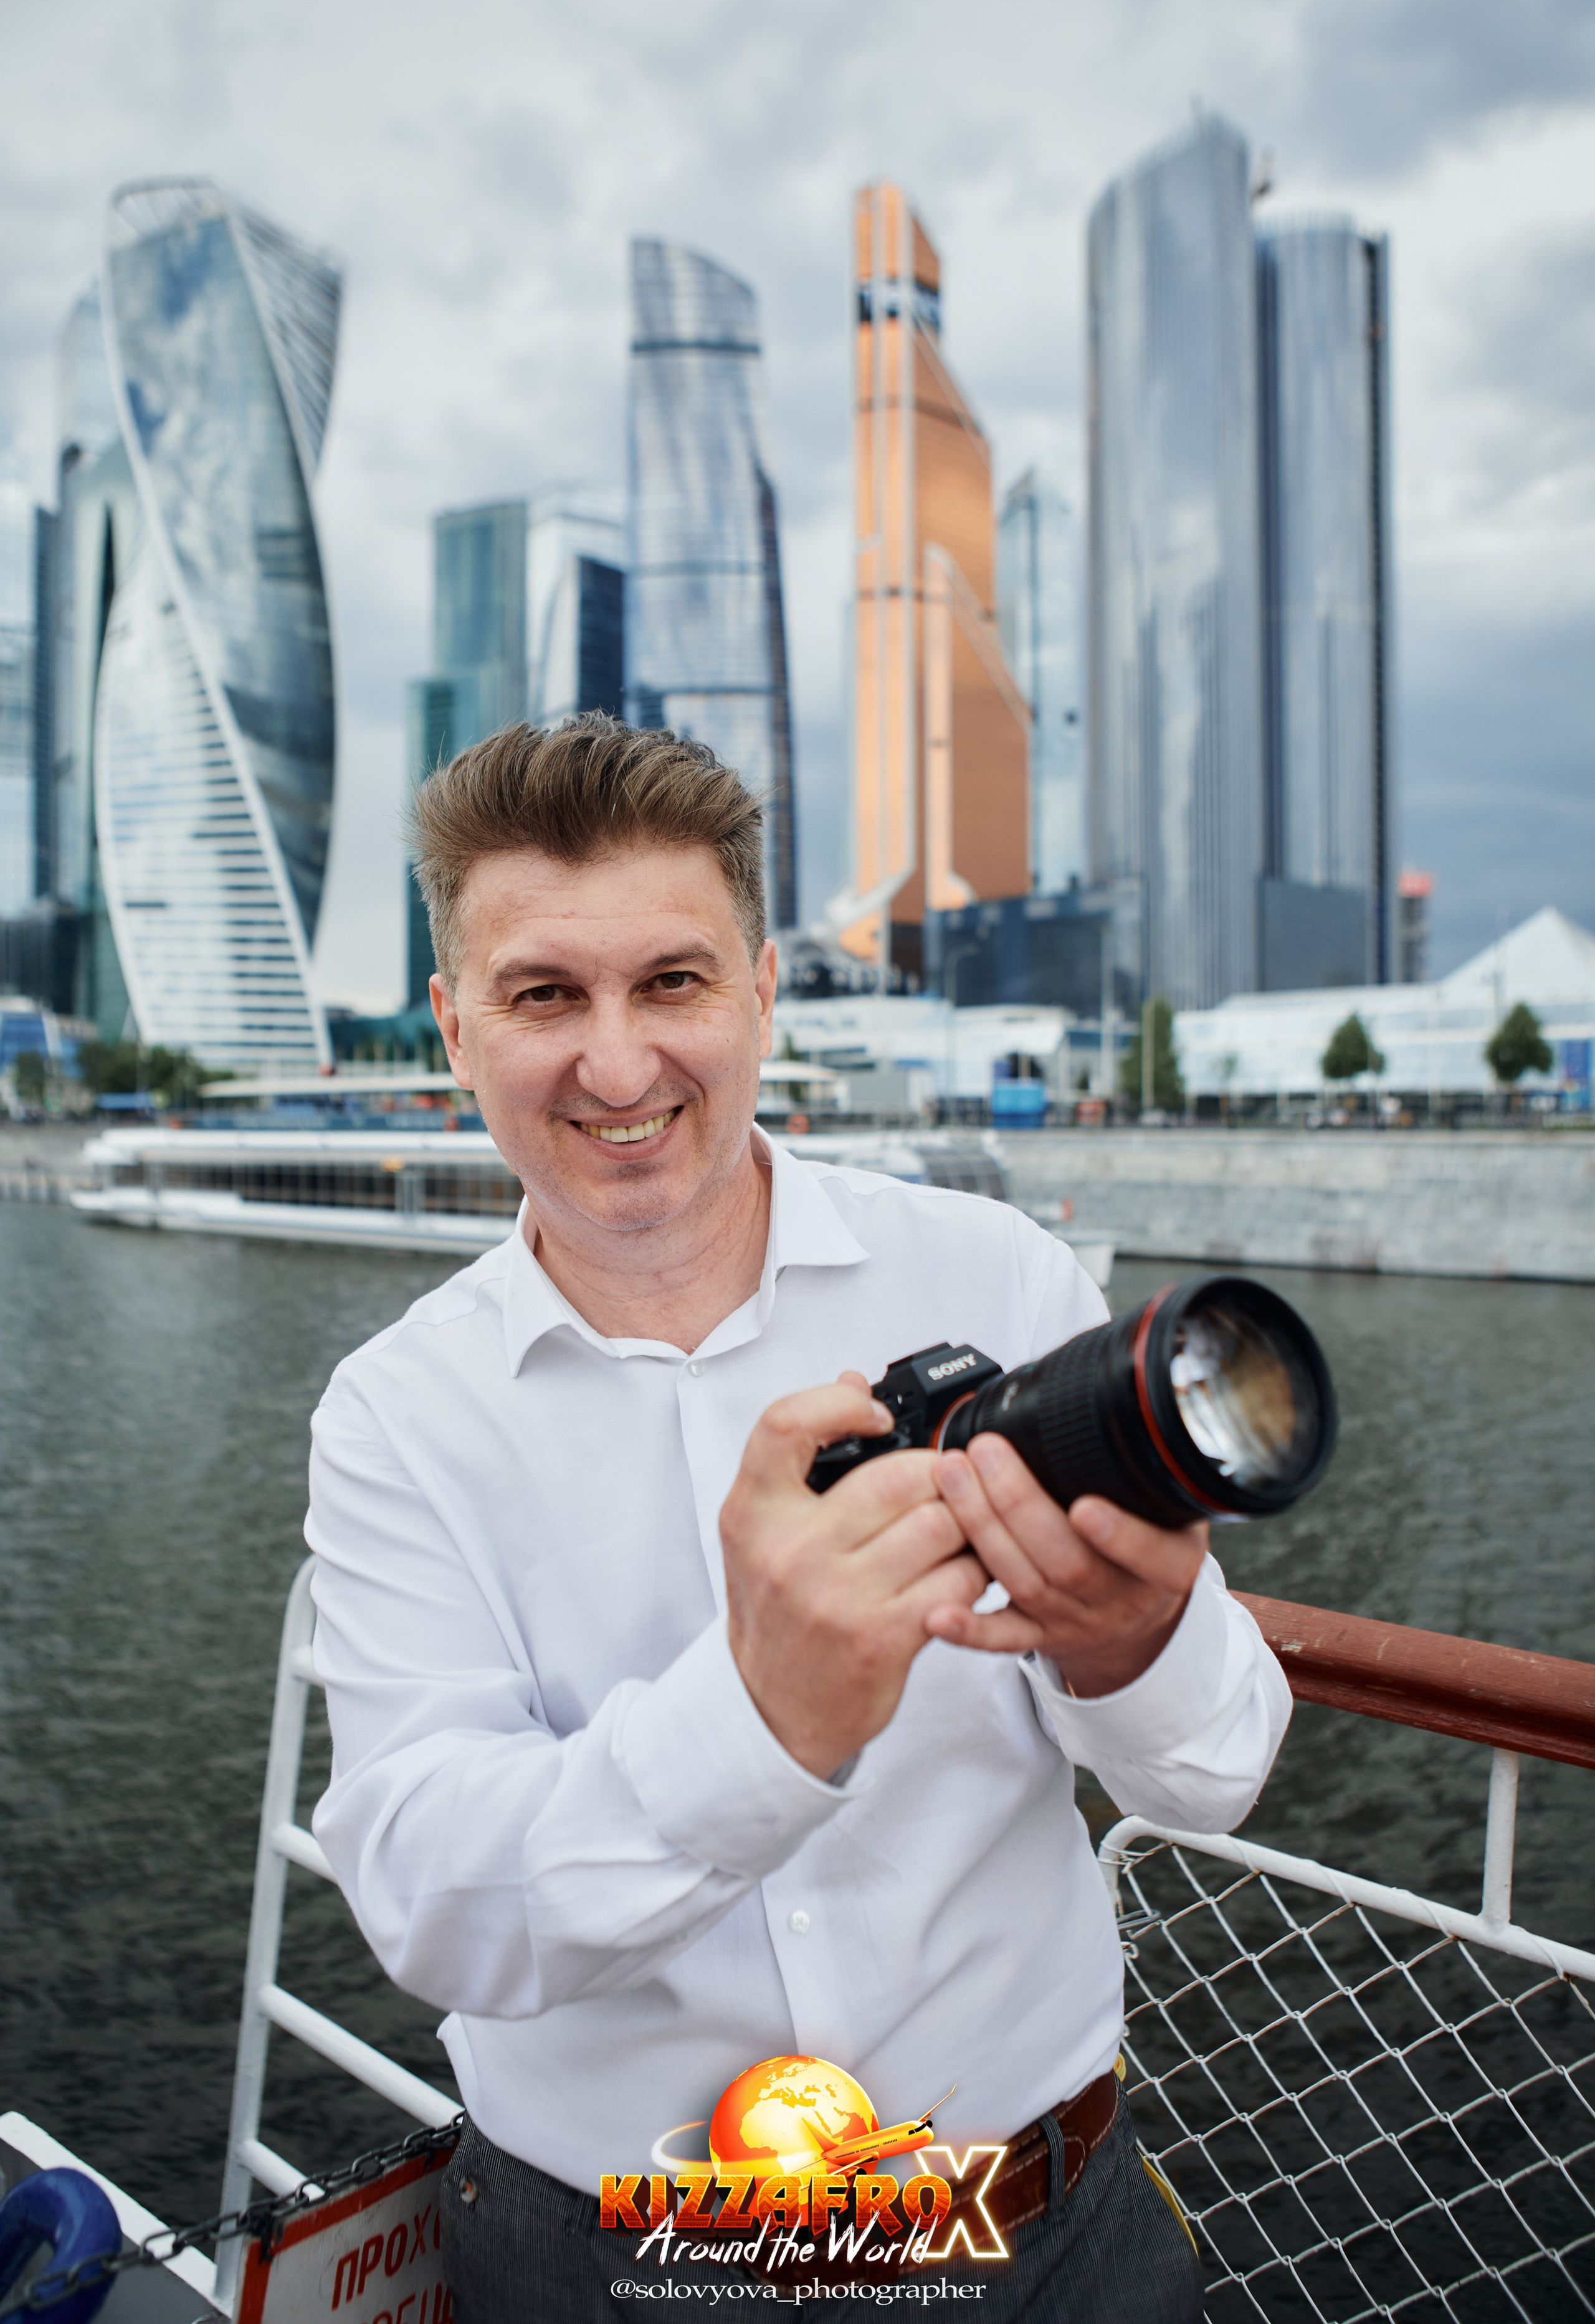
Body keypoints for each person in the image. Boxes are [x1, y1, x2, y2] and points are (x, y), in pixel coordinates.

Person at [306, 716, 1290, 2322]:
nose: (618, 1066)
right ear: (454, 1028)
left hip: (1037, 2239)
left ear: (764, 991)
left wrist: (1135, 1641)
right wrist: (762, 1719)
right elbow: (431, 1894)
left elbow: (1216, 1771)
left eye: (673, 982)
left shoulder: (1000, 1277)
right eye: (544, 995)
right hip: (618, 2256)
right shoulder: (396, 1414)